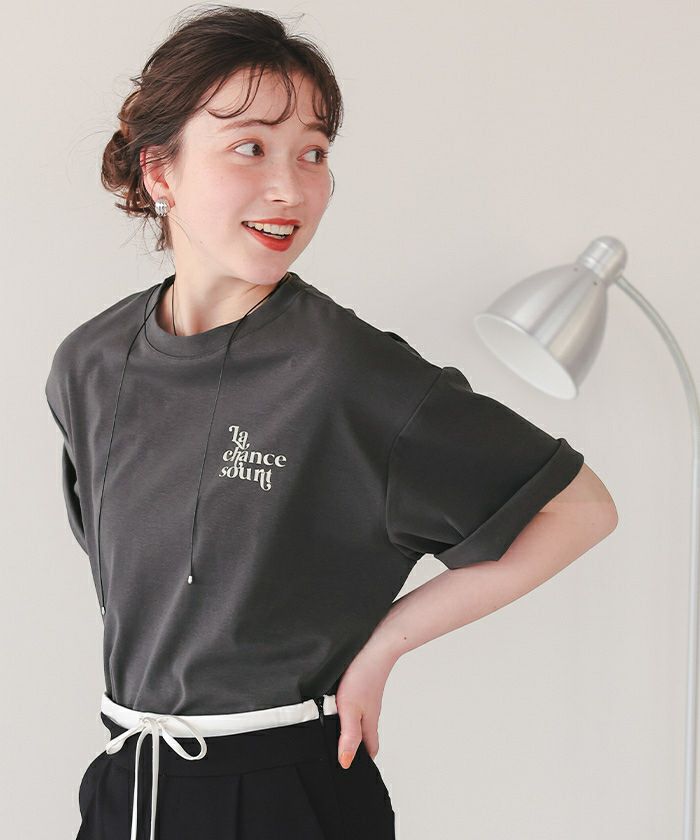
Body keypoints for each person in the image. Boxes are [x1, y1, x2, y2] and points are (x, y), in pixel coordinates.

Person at [44, 7, 618, 840]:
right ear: (159, 170)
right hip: (125, 787)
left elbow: (579, 508)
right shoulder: (90, 363)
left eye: (313, 153)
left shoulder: (346, 373)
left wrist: (385, 644)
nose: (291, 187)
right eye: (250, 147)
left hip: (283, 795)